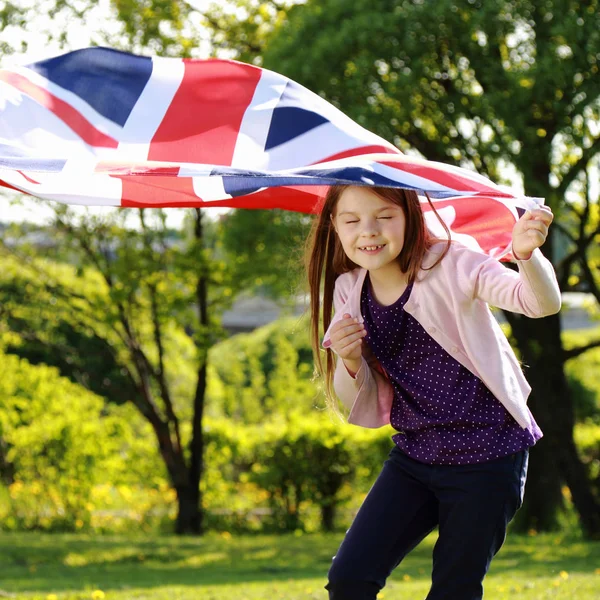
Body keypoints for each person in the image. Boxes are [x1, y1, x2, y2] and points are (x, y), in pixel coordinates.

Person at [305, 184, 561, 600]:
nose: (367, 231)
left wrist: (527, 255)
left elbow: (537, 303)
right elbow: (356, 402)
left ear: (410, 215)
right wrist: (350, 362)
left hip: (489, 455)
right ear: (335, 226)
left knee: (454, 590)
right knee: (350, 579)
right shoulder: (349, 288)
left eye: (384, 217)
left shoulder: (453, 264)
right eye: (351, 221)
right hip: (416, 454)